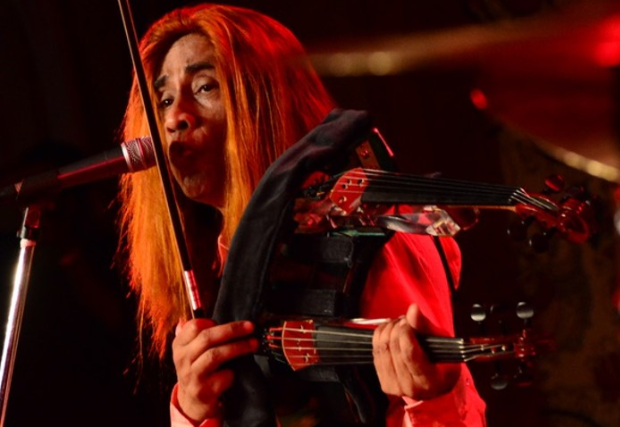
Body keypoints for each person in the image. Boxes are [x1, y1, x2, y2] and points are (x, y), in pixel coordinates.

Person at [117, 3, 486, 426]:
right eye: (164, 99)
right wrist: (194, 411)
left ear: (270, 100)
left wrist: (430, 400)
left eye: (205, 87)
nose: (174, 118)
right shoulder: (213, 266)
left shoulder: (368, 232)